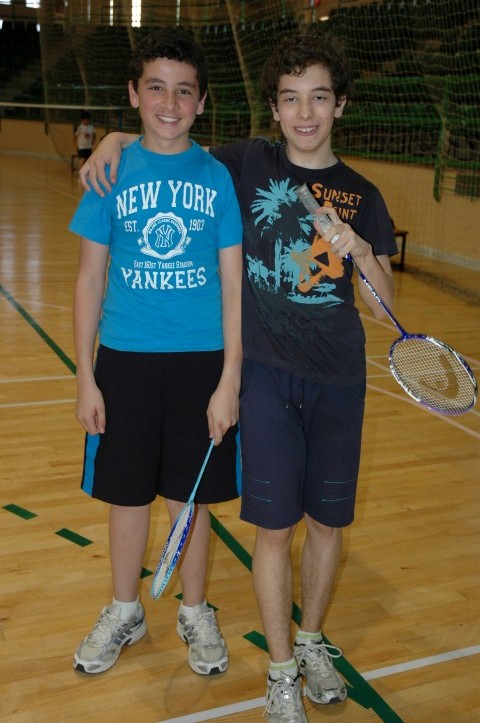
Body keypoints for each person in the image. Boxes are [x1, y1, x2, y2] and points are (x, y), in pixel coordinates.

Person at [79, 28, 397, 722]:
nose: (304, 113)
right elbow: (166, 136)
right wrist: (108, 138)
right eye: (290, 99)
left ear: (340, 105)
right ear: (274, 108)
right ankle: (281, 669)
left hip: (339, 384)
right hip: (264, 383)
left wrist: (364, 252)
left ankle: (311, 640)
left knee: (327, 524)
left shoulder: (363, 195)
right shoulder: (246, 164)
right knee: (274, 527)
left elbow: (384, 309)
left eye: (319, 98)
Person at [70, 28, 243, 679]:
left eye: (184, 91)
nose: (169, 102)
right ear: (134, 95)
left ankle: (195, 610)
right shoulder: (110, 171)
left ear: (200, 103)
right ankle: (125, 608)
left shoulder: (217, 177)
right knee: (126, 496)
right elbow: (89, 279)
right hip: (126, 360)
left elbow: (233, 284)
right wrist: (86, 375)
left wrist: (229, 379)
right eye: (156, 88)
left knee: (187, 499)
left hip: (200, 363)